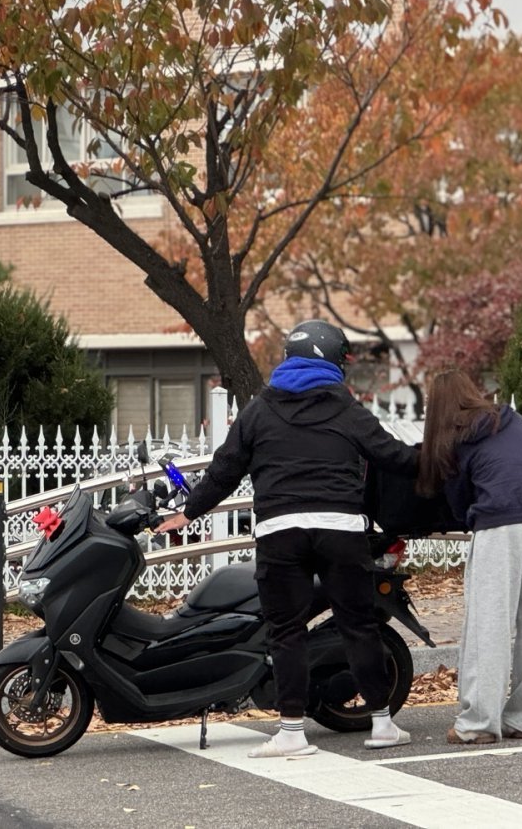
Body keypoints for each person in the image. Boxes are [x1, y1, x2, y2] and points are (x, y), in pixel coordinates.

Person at [155, 320, 419, 758]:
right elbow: (390, 454)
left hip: (280, 532)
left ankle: (293, 733)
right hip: (340, 530)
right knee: (358, 625)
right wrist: (439, 464)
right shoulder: (345, 407)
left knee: (286, 631)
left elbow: (225, 468)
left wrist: (188, 512)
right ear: (332, 361)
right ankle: (381, 724)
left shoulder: (259, 410)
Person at [416, 369, 522, 745]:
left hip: (499, 524)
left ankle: (478, 723)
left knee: (489, 623)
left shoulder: (454, 437)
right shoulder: (510, 420)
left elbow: (457, 498)